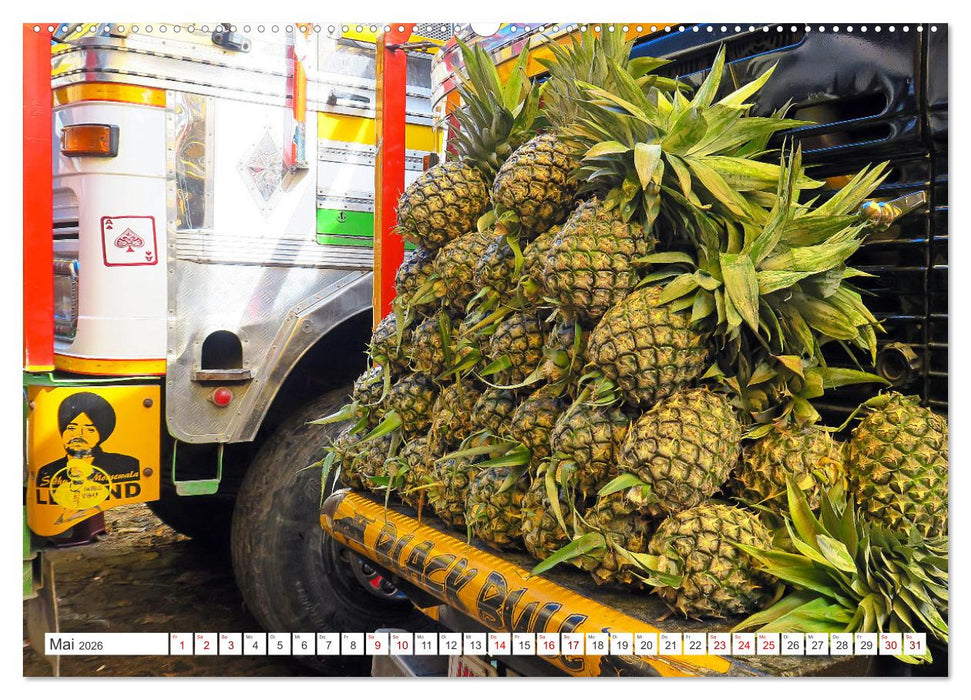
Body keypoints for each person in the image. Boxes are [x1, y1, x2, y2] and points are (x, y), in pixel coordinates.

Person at [35, 392, 139, 492]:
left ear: (102, 435)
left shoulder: (126, 466)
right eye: (71, 428)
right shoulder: (47, 472)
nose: (78, 434)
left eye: (89, 429)